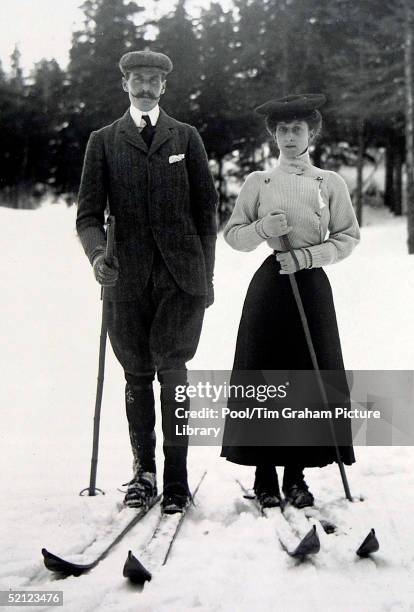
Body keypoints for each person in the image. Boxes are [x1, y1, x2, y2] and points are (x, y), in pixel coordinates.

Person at [76, 50, 217, 514]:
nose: (145, 87)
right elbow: (88, 217)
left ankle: (176, 480)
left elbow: (205, 213)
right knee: (136, 375)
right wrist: (98, 256)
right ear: (124, 84)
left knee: (174, 376)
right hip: (126, 280)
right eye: (137, 79)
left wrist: (205, 277)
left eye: (153, 79)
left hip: (180, 279)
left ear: (164, 86)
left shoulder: (187, 138)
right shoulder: (103, 140)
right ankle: (144, 474)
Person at [221, 94, 360, 509]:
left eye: (297, 129)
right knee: (265, 376)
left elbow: (348, 237)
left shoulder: (329, 182)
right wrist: (263, 227)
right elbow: (233, 235)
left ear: (312, 133)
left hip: (311, 286)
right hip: (271, 287)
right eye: (282, 130)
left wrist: (308, 256)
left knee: (306, 377)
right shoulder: (258, 182)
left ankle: (296, 477)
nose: (289, 137)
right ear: (272, 135)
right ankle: (264, 476)